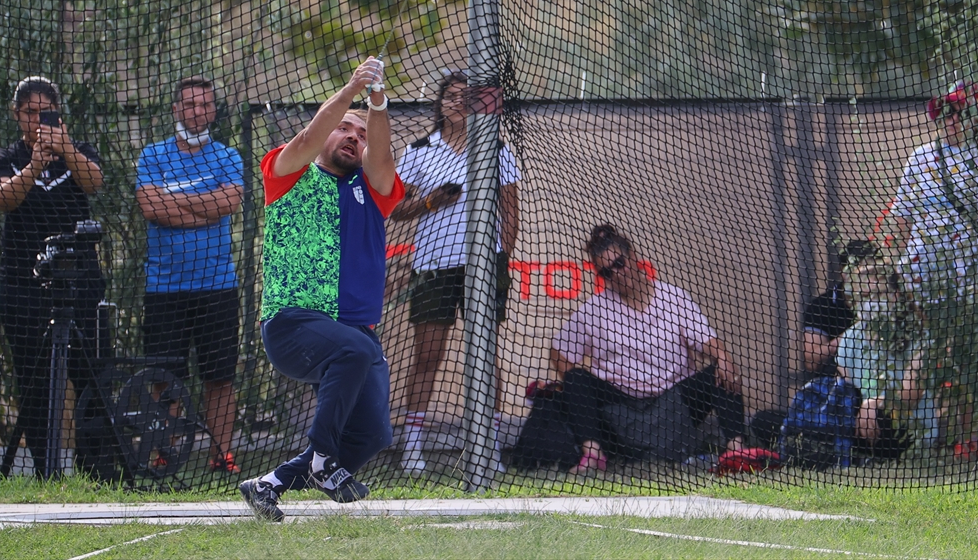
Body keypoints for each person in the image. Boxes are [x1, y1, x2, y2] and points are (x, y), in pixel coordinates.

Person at [240, 57, 404, 522]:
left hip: (354, 333)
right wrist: (353, 87)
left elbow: (384, 159)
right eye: (345, 130)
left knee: (373, 433)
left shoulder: (372, 189)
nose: (353, 137)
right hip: (293, 325)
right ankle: (320, 458)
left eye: (361, 135)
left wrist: (376, 102)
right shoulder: (286, 173)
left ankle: (270, 484)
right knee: (353, 351)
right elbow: (309, 138)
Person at [391, 70, 520, 473]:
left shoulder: (495, 147)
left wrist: (502, 254)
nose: (458, 102)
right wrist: (429, 202)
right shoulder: (419, 150)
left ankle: (488, 444)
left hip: (484, 262)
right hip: (433, 264)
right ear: (440, 103)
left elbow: (510, 208)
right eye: (451, 95)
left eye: (467, 96)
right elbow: (396, 211)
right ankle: (413, 446)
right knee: (428, 354)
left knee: (485, 353)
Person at [888, 81, 978, 454]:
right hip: (920, 278)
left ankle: (967, 440)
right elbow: (901, 218)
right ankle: (898, 438)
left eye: (960, 111)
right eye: (948, 111)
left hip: (968, 284)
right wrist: (895, 268)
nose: (952, 119)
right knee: (926, 356)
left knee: (967, 359)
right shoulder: (921, 157)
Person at [550, 225, 745, 474]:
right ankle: (593, 454)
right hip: (620, 405)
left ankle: (735, 451)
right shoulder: (594, 309)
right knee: (576, 379)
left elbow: (705, 340)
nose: (617, 274)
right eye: (607, 272)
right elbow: (559, 352)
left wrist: (723, 357)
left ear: (632, 256)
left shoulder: (672, 297)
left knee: (722, 369)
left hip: (673, 400)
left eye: (619, 263)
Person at [0, 76, 107, 478]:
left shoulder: (80, 151)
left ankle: (97, 472)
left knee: (89, 374)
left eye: (46, 112)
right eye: (30, 113)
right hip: (24, 286)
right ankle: (45, 473)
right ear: (16, 114)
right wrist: (35, 163)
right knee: (34, 383)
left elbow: (95, 182)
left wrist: (65, 149)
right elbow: (2, 198)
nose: (38, 120)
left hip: (80, 285)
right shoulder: (4, 158)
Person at [135, 76, 245, 474]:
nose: (197, 112)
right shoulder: (152, 156)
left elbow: (228, 202)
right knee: (165, 377)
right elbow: (151, 209)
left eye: (204, 105)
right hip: (164, 287)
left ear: (213, 110)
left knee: (219, 375)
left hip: (217, 286)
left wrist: (174, 202)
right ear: (175, 109)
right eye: (189, 105)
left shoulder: (228, 156)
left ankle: (222, 456)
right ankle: (167, 450)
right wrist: (203, 207)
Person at [833, 258, 921, 459]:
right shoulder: (851, 336)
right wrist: (856, 411)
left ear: (895, 296)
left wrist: (872, 404)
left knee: (883, 420)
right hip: (860, 423)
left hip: (902, 427)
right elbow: (843, 387)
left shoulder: (914, 334)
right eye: (864, 296)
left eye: (878, 294)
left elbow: (910, 396)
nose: (870, 302)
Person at [802, 240, 879, 380]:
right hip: (836, 386)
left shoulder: (884, 303)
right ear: (845, 273)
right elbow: (811, 361)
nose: (872, 280)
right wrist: (852, 335)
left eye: (875, 273)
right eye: (865, 274)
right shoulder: (821, 306)